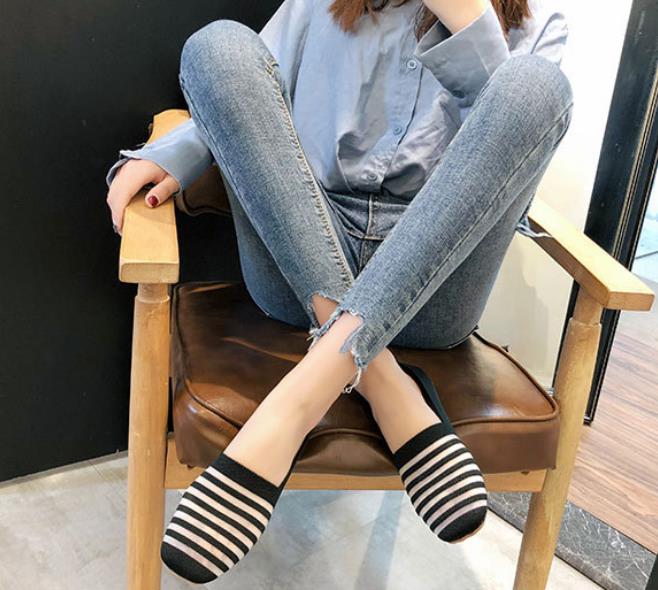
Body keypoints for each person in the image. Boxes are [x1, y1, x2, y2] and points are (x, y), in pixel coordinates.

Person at [106, 0, 573, 583]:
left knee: (535, 85)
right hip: (303, 258)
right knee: (216, 46)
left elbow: (506, 158)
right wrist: (176, 154)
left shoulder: (537, 27)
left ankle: (295, 404)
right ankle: (386, 385)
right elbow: (246, 90)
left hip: (434, 286)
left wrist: (466, 20)